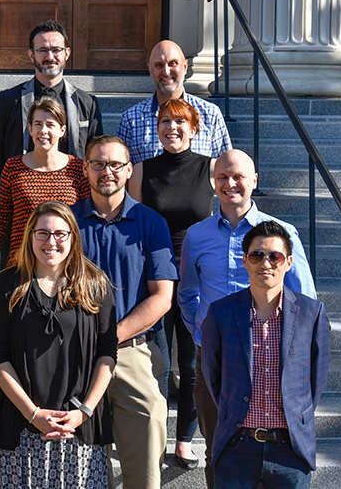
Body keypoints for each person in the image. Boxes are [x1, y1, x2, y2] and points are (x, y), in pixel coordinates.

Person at [178, 148, 316, 488]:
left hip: (270, 358)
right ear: (213, 183)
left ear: (254, 181)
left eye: (238, 176)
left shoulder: (281, 235)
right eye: (222, 177)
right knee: (218, 452)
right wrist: (205, 335)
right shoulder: (197, 236)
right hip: (215, 361)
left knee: (276, 455)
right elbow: (187, 295)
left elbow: (306, 300)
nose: (230, 184)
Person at [0, 201, 117, 488]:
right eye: (42, 233)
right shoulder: (7, 285)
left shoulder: (94, 285)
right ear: (29, 235)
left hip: (77, 428)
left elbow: (107, 353)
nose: (51, 241)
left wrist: (83, 413)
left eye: (60, 233)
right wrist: (32, 413)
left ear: (73, 237)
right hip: (22, 427)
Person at [72, 135, 178, 489]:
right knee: (79, 473)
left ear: (129, 169)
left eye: (116, 164)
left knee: (145, 473)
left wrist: (111, 336)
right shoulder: (66, 223)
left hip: (134, 354)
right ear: (85, 169)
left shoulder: (151, 224)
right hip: (76, 357)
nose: (107, 171)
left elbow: (162, 297)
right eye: (98, 164)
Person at [202, 221, 331, 488]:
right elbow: (212, 375)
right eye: (256, 255)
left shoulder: (312, 313)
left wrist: (298, 416)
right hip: (236, 446)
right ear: (245, 261)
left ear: (289, 262)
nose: (266, 263)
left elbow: (316, 379)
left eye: (275, 256)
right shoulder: (221, 312)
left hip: (290, 450)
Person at [128, 98, 215, 469]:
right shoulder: (141, 171)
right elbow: (132, 225)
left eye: (180, 122)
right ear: (156, 127)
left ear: (194, 129)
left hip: (197, 278)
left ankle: (184, 441)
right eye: (165, 121)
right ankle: (156, 435)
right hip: (156, 276)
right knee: (157, 362)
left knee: (193, 361)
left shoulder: (211, 169)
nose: (172, 128)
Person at [0, 19, 102, 177]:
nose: (50, 56)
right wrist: (17, 183)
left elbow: (96, 153)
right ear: (31, 55)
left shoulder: (87, 104)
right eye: (42, 50)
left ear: (66, 53)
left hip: (73, 194)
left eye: (56, 50)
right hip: (24, 193)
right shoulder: (9, 100)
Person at [0, 96, 89, 268]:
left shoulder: (78, 169)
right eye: (38, 124)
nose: (43, 130)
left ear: (62, 130)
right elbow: (2, 220)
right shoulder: (13, 167)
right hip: (21, 266)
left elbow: (85, 222)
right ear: (30, 129)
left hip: (64, 266)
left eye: (50, 125)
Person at [117, 40, 231, 165]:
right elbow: (122, 173)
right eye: (158, 65)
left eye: (173, 64)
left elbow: (225, 168)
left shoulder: (210, 114)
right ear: (150, 70)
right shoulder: (131, 119)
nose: (166, 72)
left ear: (185, 67)